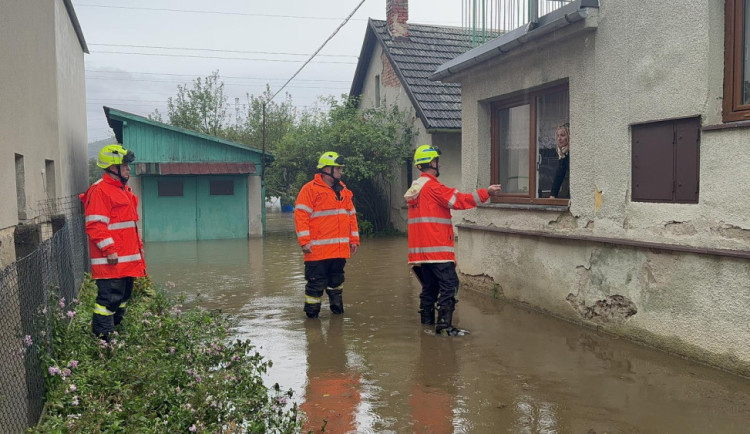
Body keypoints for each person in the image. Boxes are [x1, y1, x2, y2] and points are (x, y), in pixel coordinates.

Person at [404, 145, 502, 336]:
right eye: (437, 161)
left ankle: (426, 325)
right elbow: (461, 200)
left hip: (421, 253)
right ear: (432, 163)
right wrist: (487, 192)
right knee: (451, 285)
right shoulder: (433, 187)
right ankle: (445, 328)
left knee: (430, 288)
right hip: (437, 250)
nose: (438, 164)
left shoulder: (415, 189)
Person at [79, 144, 146, 340]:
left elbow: (128, 227)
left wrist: (139, 250)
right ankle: (103, 341)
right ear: (112, 167)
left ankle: (115, 332)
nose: (129, 169)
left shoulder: (122, 190)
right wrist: (109, 250)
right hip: (111, 261)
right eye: (125, 165)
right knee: (107, 302)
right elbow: (95, 225)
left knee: (122, 298)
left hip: (126, 261)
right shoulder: (100, 191)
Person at [294, 151, 360, 319]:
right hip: (316, 252)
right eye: (338, 169)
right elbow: (301, 216)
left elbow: (351, 215)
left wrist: (354, 240)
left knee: (336, 285)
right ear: (327, 170)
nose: (341, 172)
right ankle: (312, 321)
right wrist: (304, 242)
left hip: (339, 251)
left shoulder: (344, 190)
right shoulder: (309, 190)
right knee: (315, 288)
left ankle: (337, 318)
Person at [549, 122, 570, 199]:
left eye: (562, 135)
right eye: (558, 136)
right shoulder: (562, 154)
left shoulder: (571, 154)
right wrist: (552, 195)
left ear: (569, 136)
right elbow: (558, 176)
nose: (559, 138)